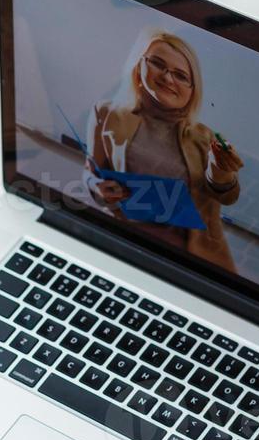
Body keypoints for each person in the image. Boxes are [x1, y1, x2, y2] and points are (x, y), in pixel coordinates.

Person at [85, 28, 244, 272]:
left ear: (193, 90)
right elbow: (91, 173)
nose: (168, 78)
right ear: (140, 67)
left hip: (191, 261)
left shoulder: (204, 137)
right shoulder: (105, 114)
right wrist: (97, 188)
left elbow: (226, 196)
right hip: (123, 245)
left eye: (181, 76)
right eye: (158, 64)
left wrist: (220, 169)